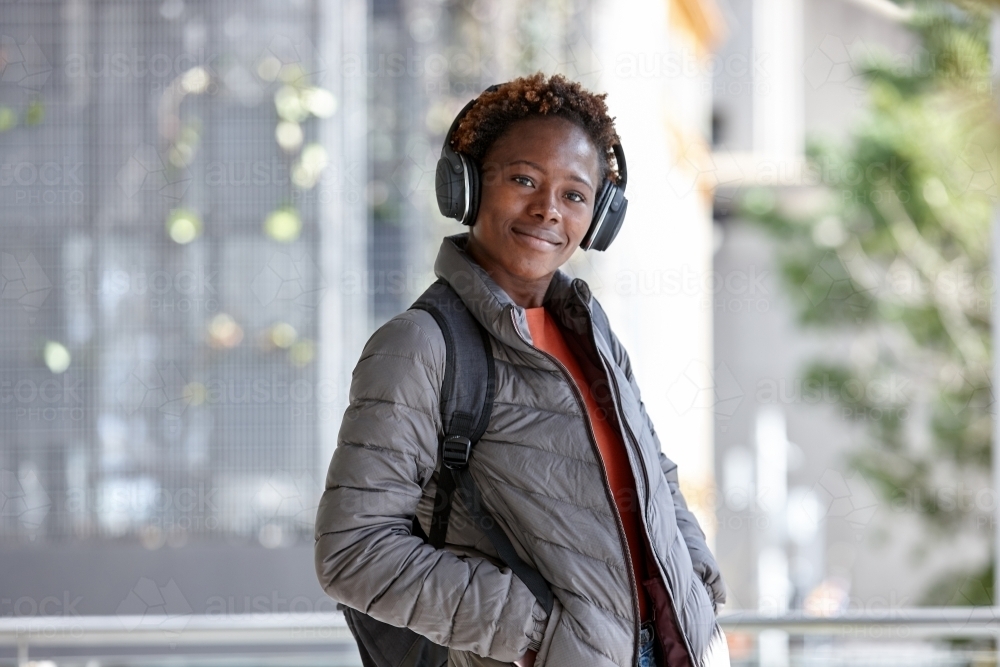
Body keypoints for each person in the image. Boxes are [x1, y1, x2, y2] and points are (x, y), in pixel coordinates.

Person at [315, 73, 726, 667]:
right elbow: (353, 550)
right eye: (524, 179)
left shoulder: (590, 330)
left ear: (600, 215)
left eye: (575, 195)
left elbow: (651, 471)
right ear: (467, 185)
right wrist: (537, 633)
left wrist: (699, 586)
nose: (547, 210)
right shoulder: (420, 346)